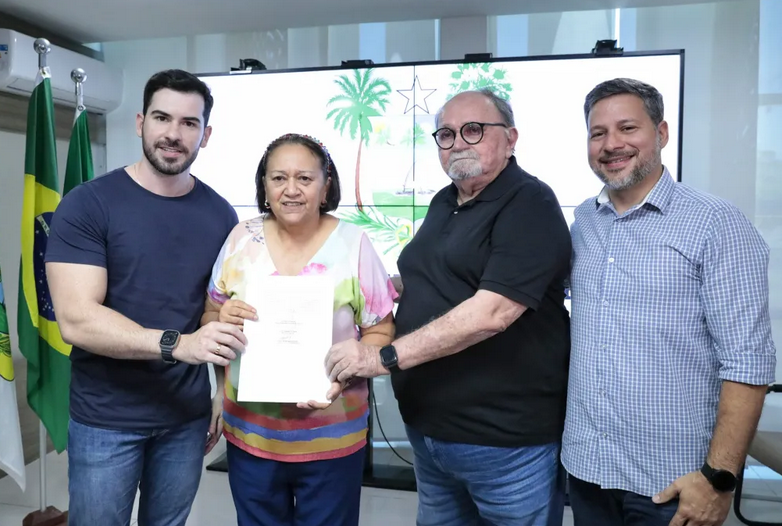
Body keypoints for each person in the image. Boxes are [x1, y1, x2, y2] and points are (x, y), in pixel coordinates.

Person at [325, 88, 572, 526]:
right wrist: (365, 290)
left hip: (503, 444)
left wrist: (384, 356)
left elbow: (492, 311)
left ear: (511, 138)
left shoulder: (529, 202)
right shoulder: (446, 200)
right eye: (446, 134)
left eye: (473, 130)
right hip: (430, 433)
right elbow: (435, 277)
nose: (458, 142)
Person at [562, 77, 777, 526]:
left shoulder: (716, 223)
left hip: (672, 482)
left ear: (660, 133)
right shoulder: (583, 220)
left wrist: (718, 477)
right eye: (597, 133)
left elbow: (748, 363)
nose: (611, 144)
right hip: (587, 468)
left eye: (627, 128)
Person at [45, 69, 246, 526]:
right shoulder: (88, 204)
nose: (174, 134)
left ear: (205, 134)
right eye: (162, 118)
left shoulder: (220, 214)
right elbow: (76, 319)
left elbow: (215, 309)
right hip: (105, 419)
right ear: (140, 122)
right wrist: (179, 345)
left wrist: (221, 390)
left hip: (185, 417)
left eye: (189, 123)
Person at [203, 133, 397, 526]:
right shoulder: (242, 239)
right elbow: (210, 317)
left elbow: (381, 331)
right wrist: (220, 322)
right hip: (251, 435)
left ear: (326, 186)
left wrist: (352, 365)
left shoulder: (354, 244)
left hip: (333, 436)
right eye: (278, 178)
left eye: (305, 179)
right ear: (264, 186)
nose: (291, 190)